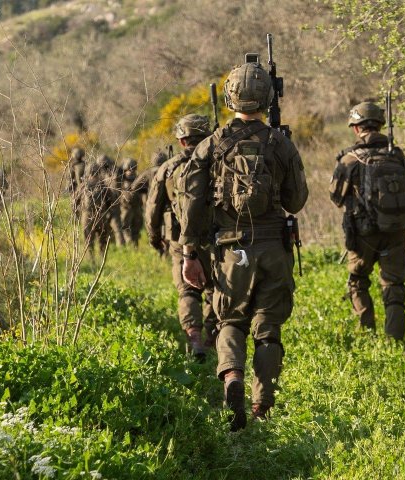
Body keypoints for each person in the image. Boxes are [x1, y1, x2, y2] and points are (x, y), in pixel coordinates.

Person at [178, 61, 308, 430]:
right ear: (267, 98)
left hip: (231, 250)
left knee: (230, 320)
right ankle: (261, 406)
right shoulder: (280, 142)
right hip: (273, 249)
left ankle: (232, 376)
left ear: (229, 97)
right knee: (268, 328)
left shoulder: (210, 145)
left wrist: (190, 253)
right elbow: (296, 201)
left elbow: (190, 202)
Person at [329, 101, 405, 338]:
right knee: (394, 286)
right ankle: (395, 339)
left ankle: (368, 336)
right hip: (395, 232)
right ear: (380, 124)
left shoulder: (349, 160)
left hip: (362, 235)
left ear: (356, 128)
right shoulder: (397, 156)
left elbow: (336, 197)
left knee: (358, 281)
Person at [145, 115, 216, 360]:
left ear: (181, 139)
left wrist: (155, 238)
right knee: (214, 290)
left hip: (180, 241)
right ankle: (212, 338)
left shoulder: (168, 168)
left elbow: (153, 208)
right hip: (215, 239)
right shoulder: (217, 163)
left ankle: (194, 338)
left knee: (187, 290)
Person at [118, 158, 143, 247]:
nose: (130, 171)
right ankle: (127, 243)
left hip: (136, 207)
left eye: (132, 169)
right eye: (128, 169)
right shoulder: (121, 178)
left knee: (136, 227)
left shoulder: (138, 178)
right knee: (125, 226)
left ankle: (134, 244)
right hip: (125, 207)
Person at [68, 148, 86, 219]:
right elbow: (70, 178)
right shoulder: (85, 164)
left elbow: (69, 178)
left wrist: (70, 188)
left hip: (80, 188)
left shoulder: (73, 165)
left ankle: (77, 218)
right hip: (82, 187)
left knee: (74, 203)